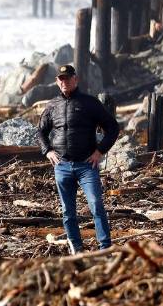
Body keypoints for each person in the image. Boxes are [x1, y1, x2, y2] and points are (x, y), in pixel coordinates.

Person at [37, 64, 120, 253]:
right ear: (57, 82)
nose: (64, 82)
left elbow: (113, 128)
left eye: (68, 78)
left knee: (96, 205)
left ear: (76, 79)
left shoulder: (90, 103)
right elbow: (41, 131)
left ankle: (105, 248)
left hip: (86, 165)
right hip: (62, 166)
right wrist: (47, 150)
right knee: (68, 211)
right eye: (61, 79)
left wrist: (100, 151)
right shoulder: (52, 106)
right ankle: (77, 248)